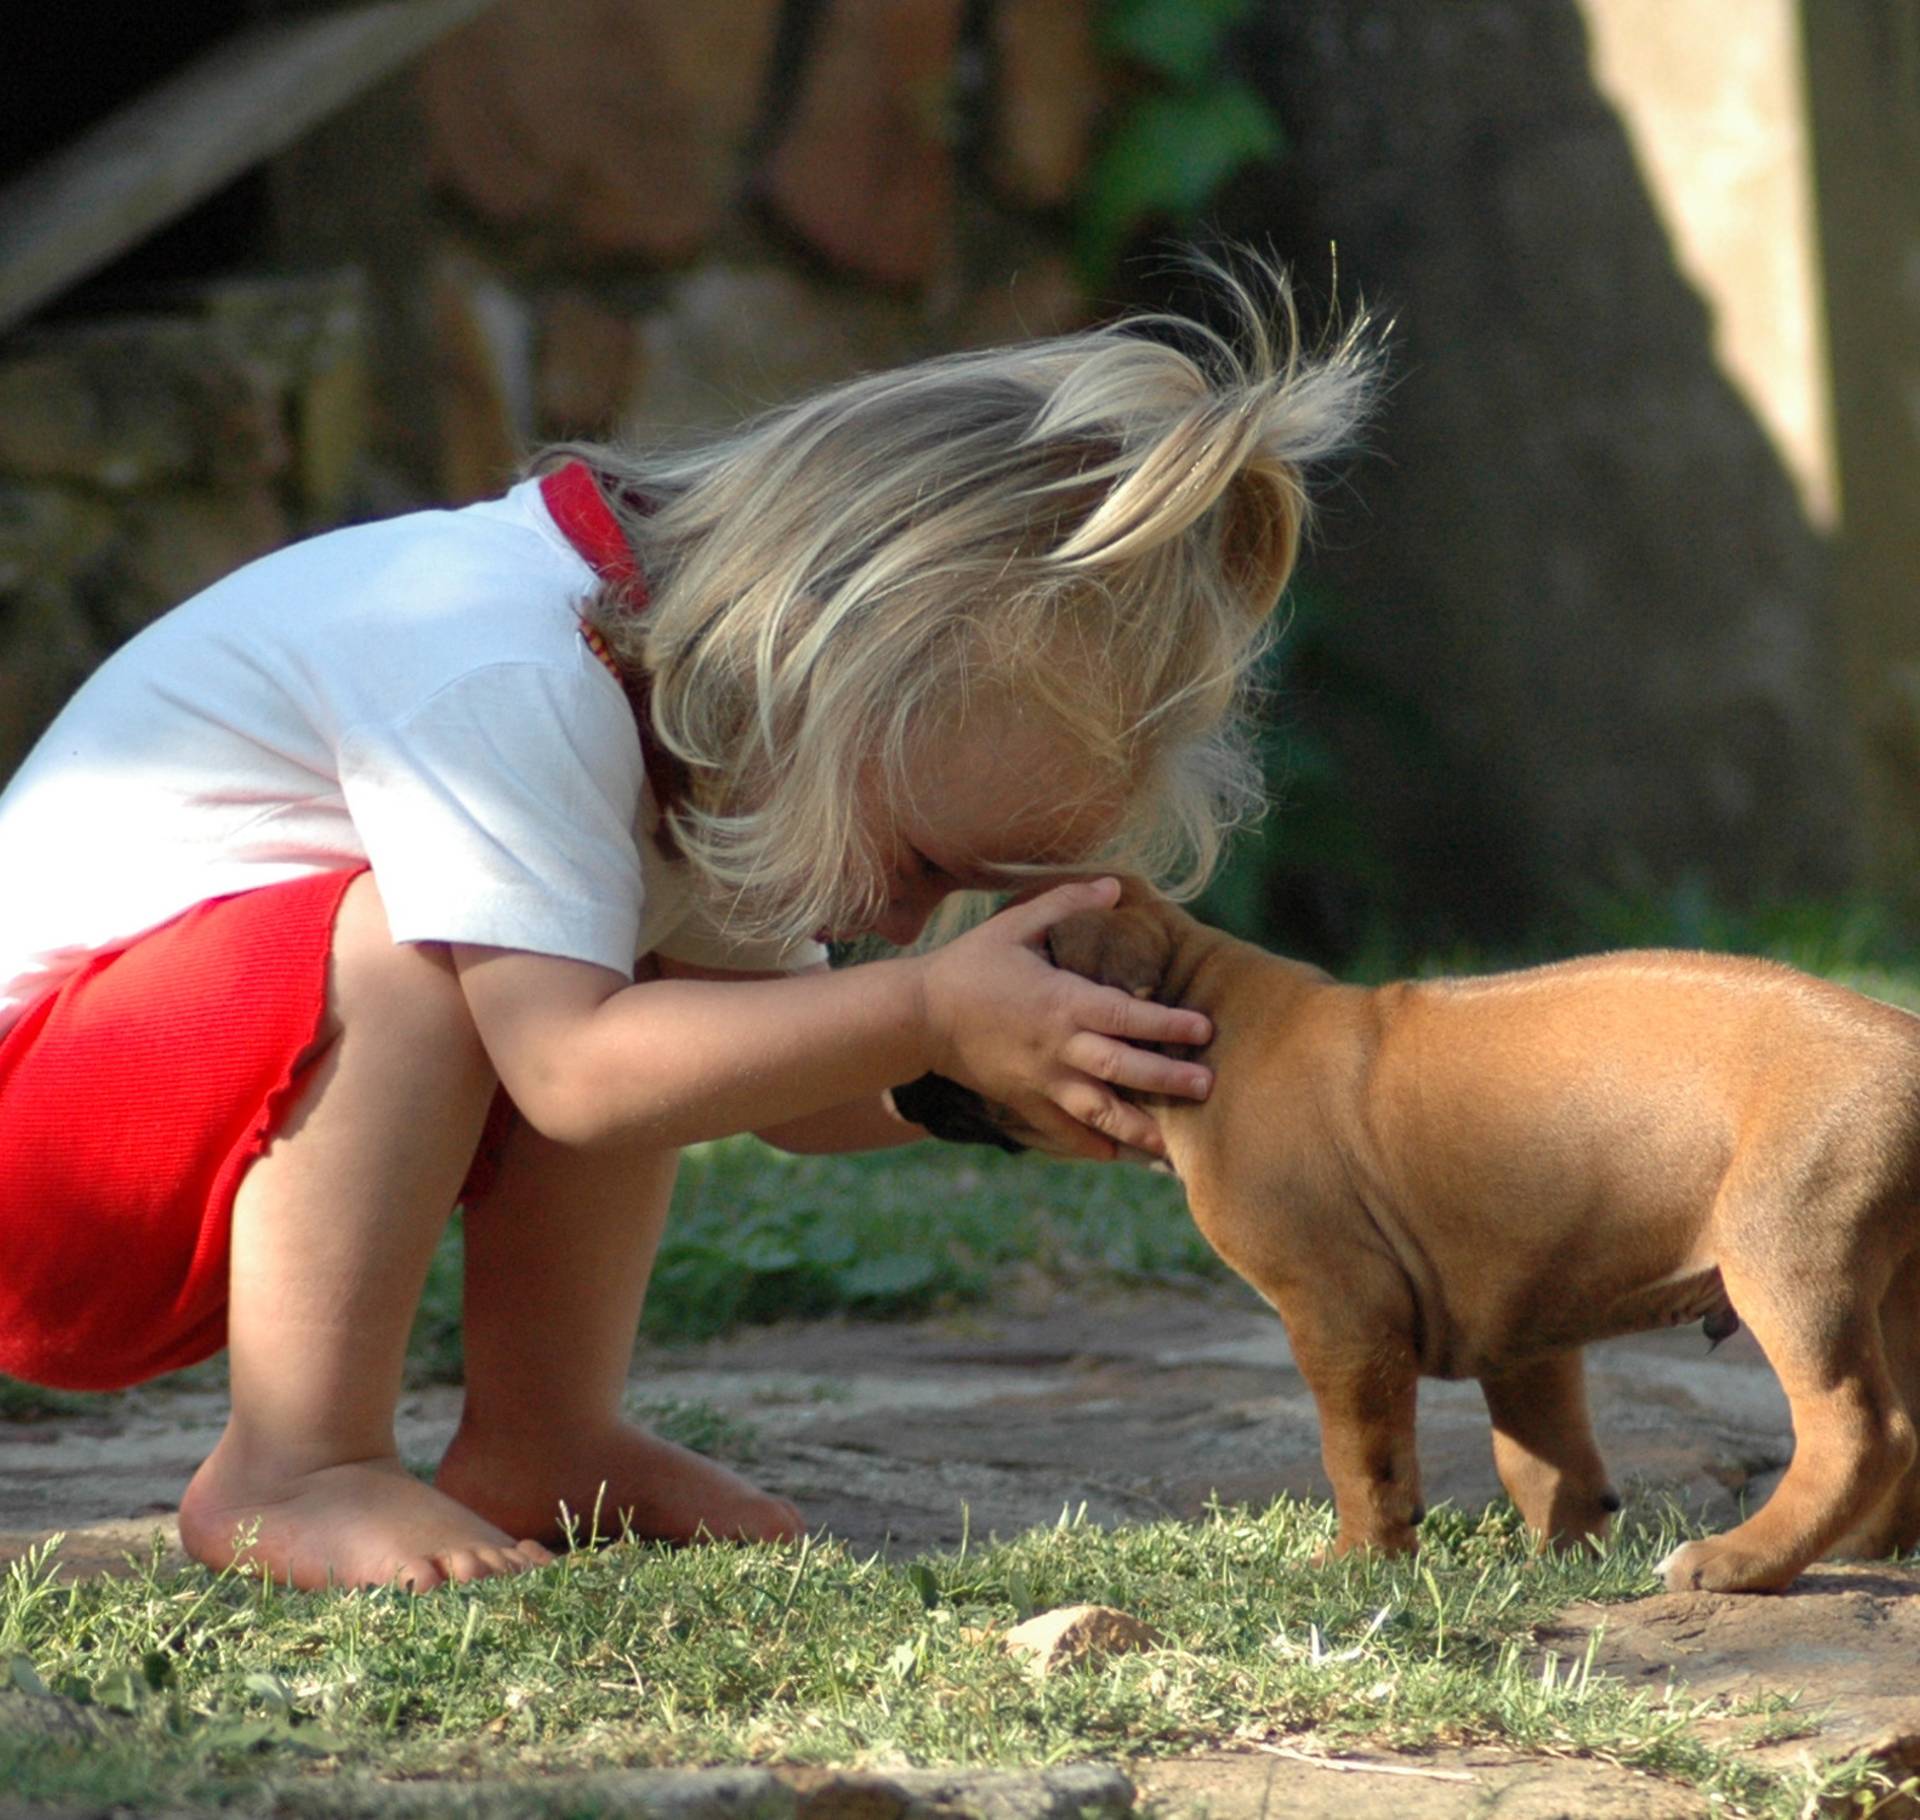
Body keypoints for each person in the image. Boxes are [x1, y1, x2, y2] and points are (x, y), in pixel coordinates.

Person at [0, 264, 1375, 1592]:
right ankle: (296, 1468)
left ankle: (544, 1441)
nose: (906, 920)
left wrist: (1011, 1079)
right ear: (825, 665)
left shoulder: (716, 714)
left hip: (173, 1164)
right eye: (917, 861)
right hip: (44, 1172)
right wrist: (927, 1009)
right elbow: (575, 1077)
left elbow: (783, 1093)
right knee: (428, 958)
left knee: (650, 999)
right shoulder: (505, 667)